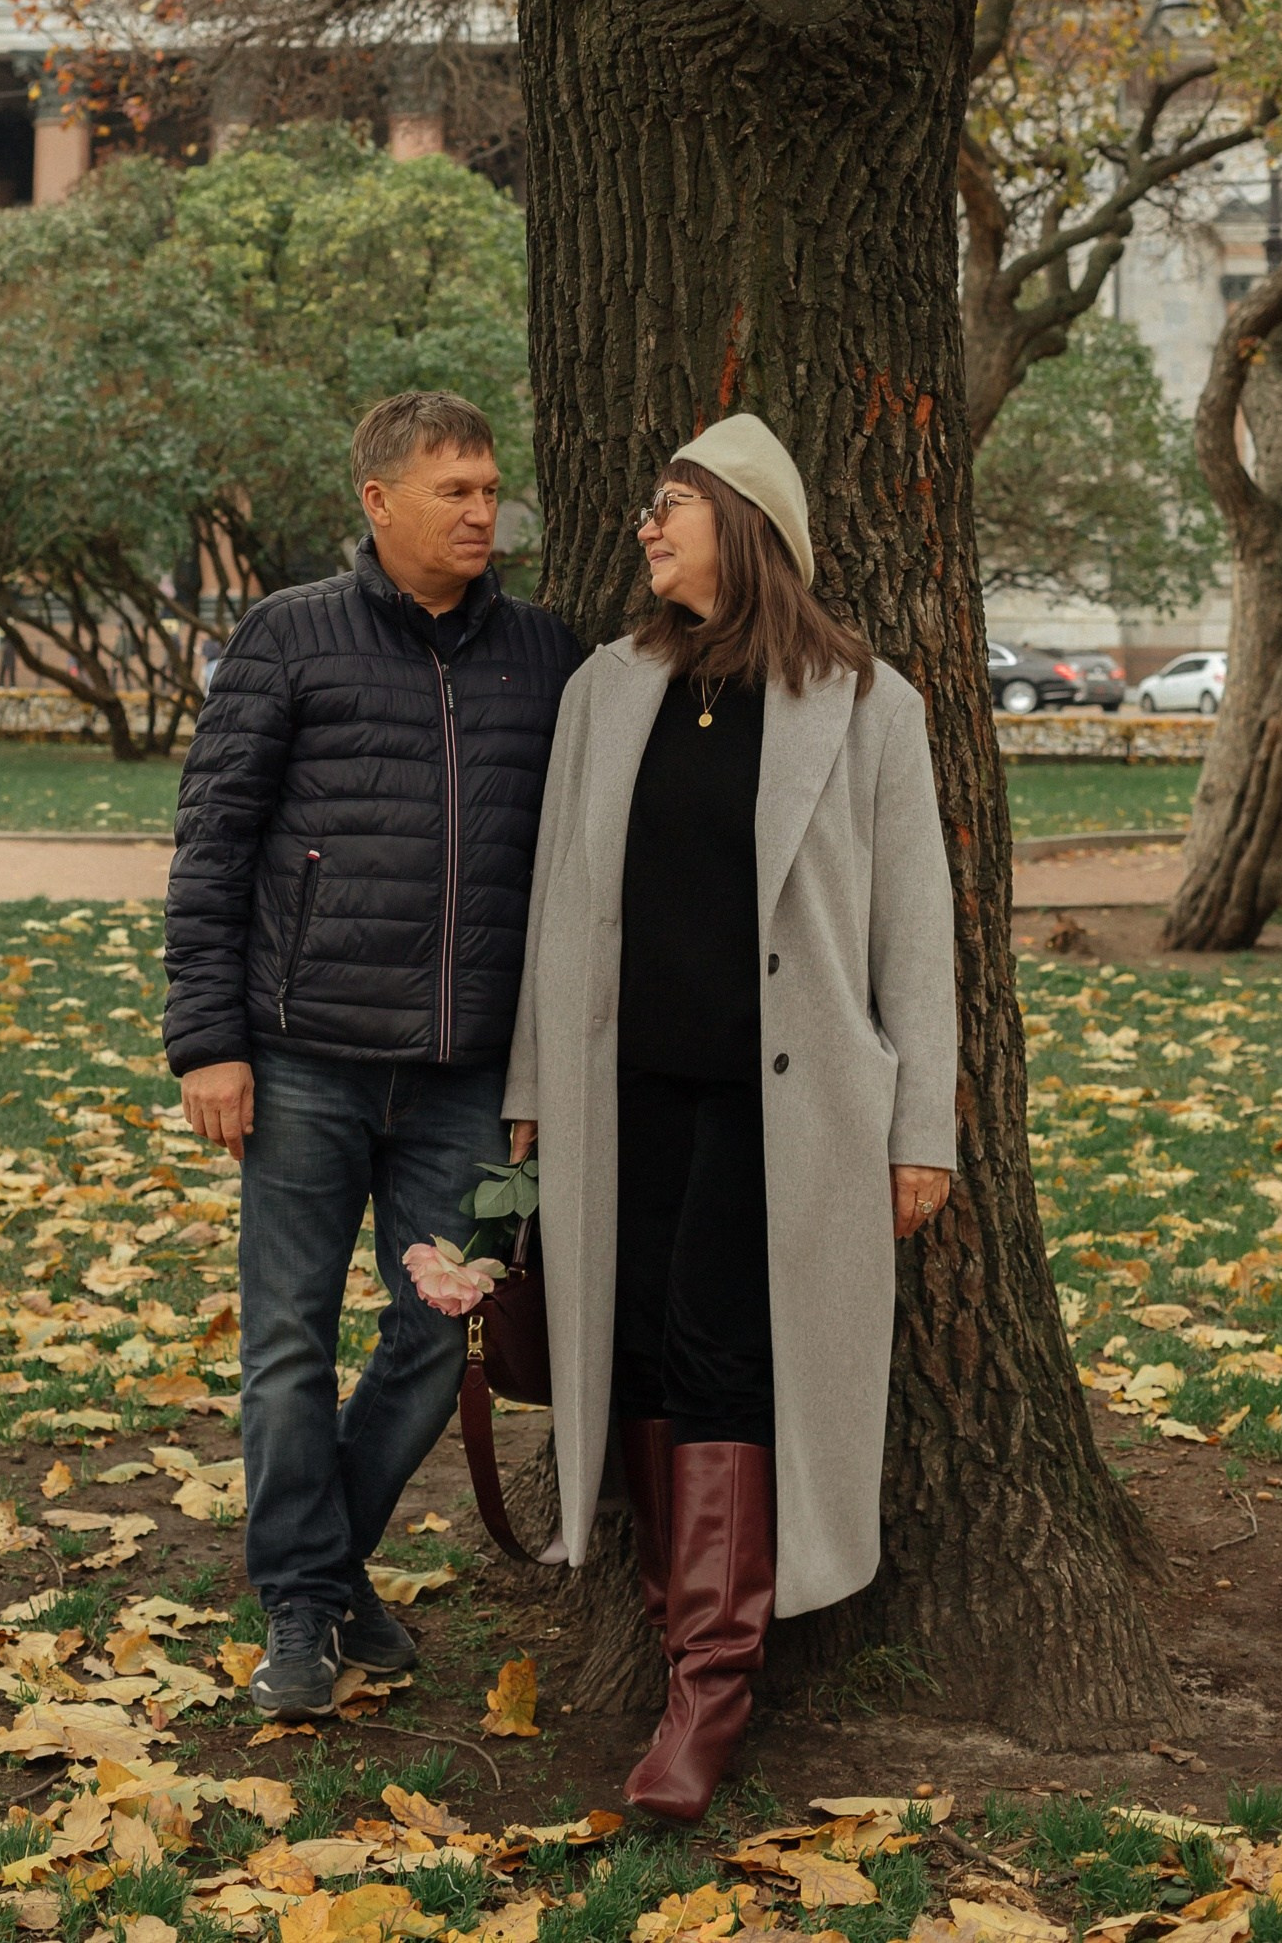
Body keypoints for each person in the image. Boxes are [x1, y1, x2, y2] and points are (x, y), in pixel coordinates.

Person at [502, 414, 957, 1824]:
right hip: (620, 1094)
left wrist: (922, 1129)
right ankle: (671, 1641)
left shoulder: (868, 705)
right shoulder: (609, 689)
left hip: (785, 1111)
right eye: (649, 506)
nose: (646, 526)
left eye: (673, 505)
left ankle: (710, 1689)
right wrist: (530, 1092)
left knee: (717, 1360)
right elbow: (558, 908)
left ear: (746, 523)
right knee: (636, 1352)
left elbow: (917, 935)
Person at [162, 391, 584, 1716]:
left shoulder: (544, 655)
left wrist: (539, 1075)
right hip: (302, 1060)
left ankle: (322, 1572)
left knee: (437, 1338)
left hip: (468, 1076)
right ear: (378, 500)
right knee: (287, 1336)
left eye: (491, 489)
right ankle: (305, 1605)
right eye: (454, 489)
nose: (482, 512)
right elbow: (214, 844)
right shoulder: (289, 636)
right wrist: (208, 1043)